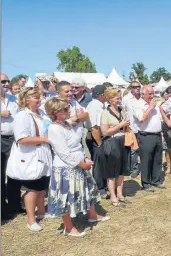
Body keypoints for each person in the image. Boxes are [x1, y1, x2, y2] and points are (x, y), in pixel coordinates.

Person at [45, 98, 110, 237]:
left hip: (79, 163)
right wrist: (82, 164)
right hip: (66, 168)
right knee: (67, 198)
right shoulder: (54, 128)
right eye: (65, 109)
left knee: (89, 189)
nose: (69, 111)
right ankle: (68, 227)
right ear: (56, 112)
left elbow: (76, 144)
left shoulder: (67, 124)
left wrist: (84, 158)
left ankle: (92, 214)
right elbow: (64, 153)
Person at [7, 88, 53, 231]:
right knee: (32, 188)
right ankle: (31, 220)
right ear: (26, 99)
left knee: (41, 185)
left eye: (39, 96)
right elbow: (21, 138)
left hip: (43, 152)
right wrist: (45, 139)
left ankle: (41, 212)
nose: (38, 99)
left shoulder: (41, 113)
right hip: (30, 155)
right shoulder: (23, 116)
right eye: (34, 97)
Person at [100, 87, 132, 206]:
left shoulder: (121, 110)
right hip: (112, 142)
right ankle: (112, 195)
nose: (119, 100)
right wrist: (120, 125)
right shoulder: (105, 113)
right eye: (117, 98)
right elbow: (105, 132)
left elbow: (124, 124)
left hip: (123, 140)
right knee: (112, 172)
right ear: (109, 99)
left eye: (120, 98)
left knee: (121, 170)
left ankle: (120, 194)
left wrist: (126, 126)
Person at [134, 85, 166, 191]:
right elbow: (141, 119)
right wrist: (151, 107)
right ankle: (146, 183)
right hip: (145, 136)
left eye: (153, 93)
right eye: (150, 94)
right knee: (146, 160)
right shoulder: (138, 104)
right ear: (143, 94)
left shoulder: (155, 104)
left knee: (157, 160)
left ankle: (156, 180)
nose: (153, 96)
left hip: (157, 135)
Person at [1, 77, 20, 220]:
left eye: (7, 81)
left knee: (14, 172)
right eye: (3, 82)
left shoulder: (13, 99)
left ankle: (15, 204)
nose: (7, 84)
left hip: (13, 139)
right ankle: (3, 207)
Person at [85, 84, 108, 196]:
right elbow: (94, 127)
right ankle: (99, 188)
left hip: (98, 137)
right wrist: (99, 143)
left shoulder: (99, 105)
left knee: (102, 162)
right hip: (96, 138)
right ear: (102, 95)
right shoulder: (95, 106)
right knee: (98, 164)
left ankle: (103, 185)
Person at [122, 81, 143, 179]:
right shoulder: (126, 99)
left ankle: (142, 168)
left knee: (142, 150)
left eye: (138, 86)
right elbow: (122, 112)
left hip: (143, 128)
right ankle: (134, 169)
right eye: (135, 87)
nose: (137, 88)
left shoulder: (142, 98)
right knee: (133, 151)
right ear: (131, 88)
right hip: (131, 128)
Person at [160, 86, 171, 174]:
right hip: (166, 128)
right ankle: (169, 166)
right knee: (168, 149)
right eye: (168, 93)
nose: (169, 94)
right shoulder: (162, 105)